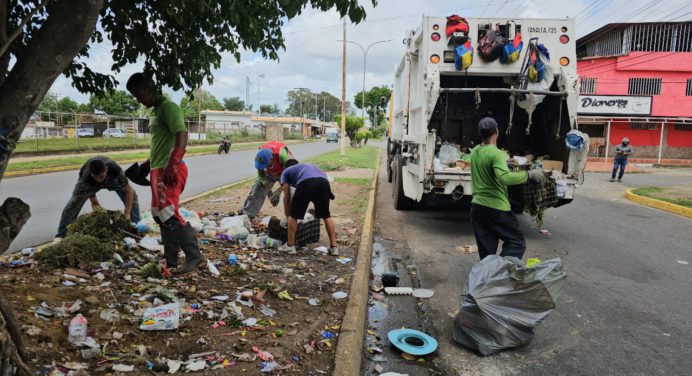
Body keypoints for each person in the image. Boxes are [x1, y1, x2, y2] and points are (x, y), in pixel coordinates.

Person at [127, 72, 203, 275]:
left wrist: (172, 164)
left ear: (149, 88)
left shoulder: (169, 106)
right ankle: (171, 259)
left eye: (139, 95)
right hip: (158, 168)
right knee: (159, 215)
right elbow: (161, 144)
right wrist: (146, 165)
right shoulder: (156, 110)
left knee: (169, 214)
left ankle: (194, 255)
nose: (139, 100)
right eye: (135, 97)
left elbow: (182, 134)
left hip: (169, 169)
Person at [469, 117, 544, 260]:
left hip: (477, 208)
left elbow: (487, 165)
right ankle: (500, 272)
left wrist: (504, 163)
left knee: (487, 252)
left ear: (480, 134)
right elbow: (505, 178)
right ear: (497, 131)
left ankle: (488, 277)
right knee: (516, 242)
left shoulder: (476, 151)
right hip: (496, 208)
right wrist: (529, 175)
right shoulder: (497, 154)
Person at [55, 156, 140, 241]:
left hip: (111, 179)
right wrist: (102, 217)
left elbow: (129, 191)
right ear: (91, 174)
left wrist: (127, 213)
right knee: (72, 205)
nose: (99, 180)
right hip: (91, 184)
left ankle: (135, 226)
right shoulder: (86, 179)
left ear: (106, 169)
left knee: (133, 197)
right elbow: (95, 203)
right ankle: (61, 236)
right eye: (96, 177)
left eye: (101, 176)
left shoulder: (116, 170)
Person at [277, 160, 338, 256]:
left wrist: (287, 215)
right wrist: (316, 209)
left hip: (306, 183)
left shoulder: (285, 172)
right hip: (324, 183)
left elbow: (287, 198)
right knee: (326, 215)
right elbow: (328, 192)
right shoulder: (306, 167)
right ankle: (334, 248)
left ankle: (290, 246)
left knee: (293, 216)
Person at [240, 141, 293, 219]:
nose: (264, 166)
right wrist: (269, 192)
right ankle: (248, 216)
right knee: (257, 189)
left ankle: (291, 217)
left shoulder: (282, 156)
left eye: (266, 164)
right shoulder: (259, 157)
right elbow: (261, 173)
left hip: (285, 171)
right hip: (270, 173)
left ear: (272, 159)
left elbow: (290, 176)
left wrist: (279, 191)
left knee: (290, 192)